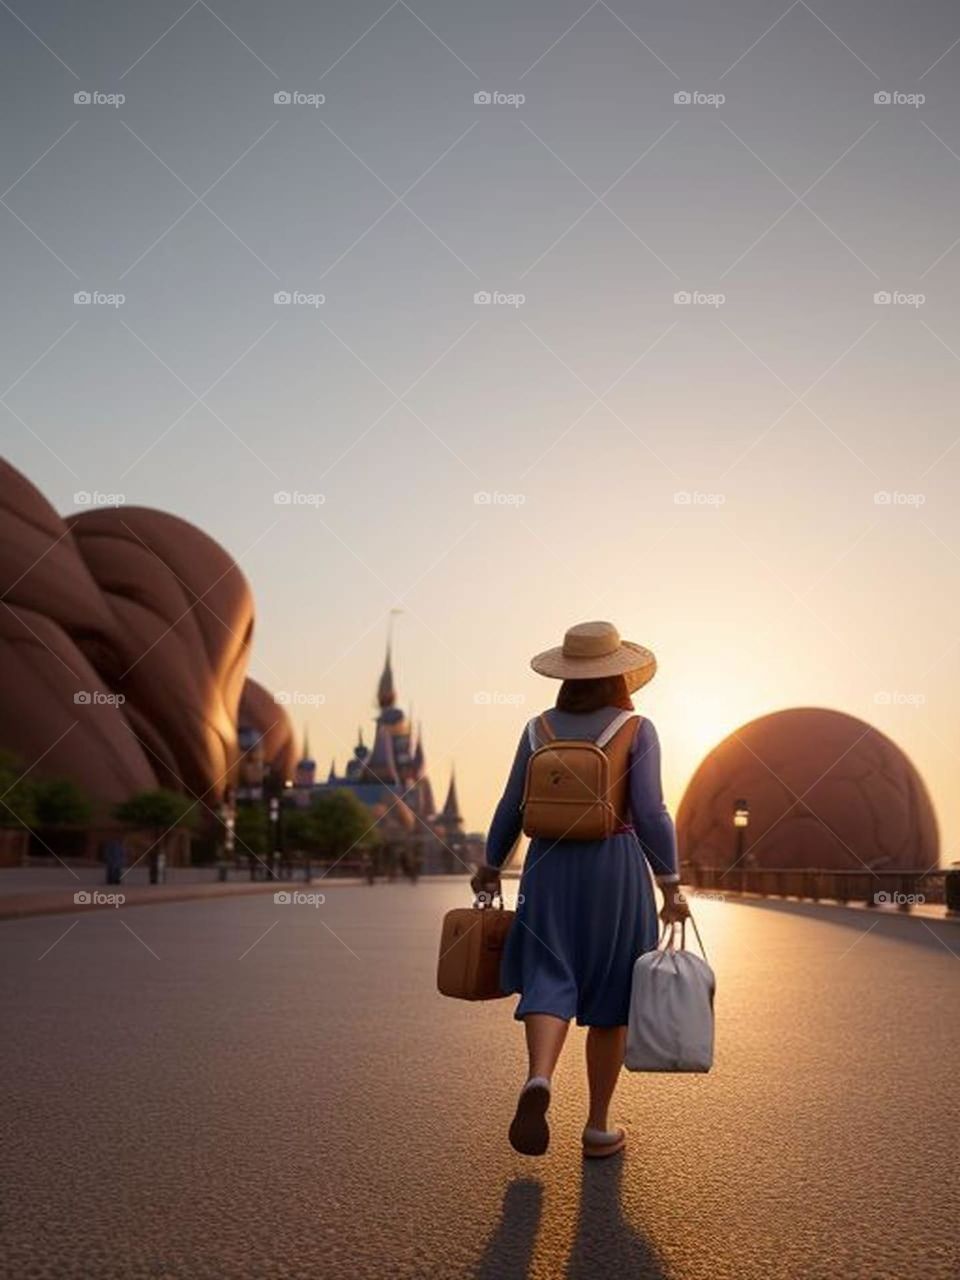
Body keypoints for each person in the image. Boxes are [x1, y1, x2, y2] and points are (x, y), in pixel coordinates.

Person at [471, 620, 688, 1160]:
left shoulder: (536, 729)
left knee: (549, 974)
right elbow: (652, 812)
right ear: (620, 677)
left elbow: (511, 807)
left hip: (546, 866)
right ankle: (596, 1127)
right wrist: (670, 884)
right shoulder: (636, 730)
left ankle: (539, 1078)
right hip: (614, 866)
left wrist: (491, 865)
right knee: (612, 996)